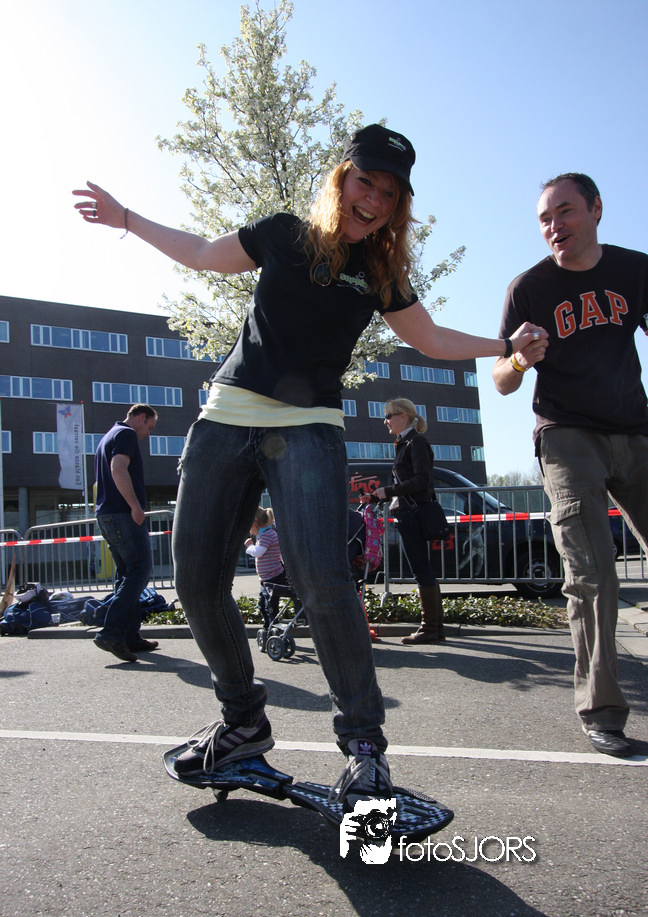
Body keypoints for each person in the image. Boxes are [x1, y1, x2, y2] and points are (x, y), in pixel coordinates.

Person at [73, 123, 541, 810]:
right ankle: (242, 725)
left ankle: (365, 752)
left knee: (323, 580)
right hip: (226, 419)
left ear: (398, 205)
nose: (372, 200)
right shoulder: (284, 234)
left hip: (309, 430)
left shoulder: (380, 272)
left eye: (388, 194)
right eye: (364, 182)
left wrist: (508, 345)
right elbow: (201, 254)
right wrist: (126, 219)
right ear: (341, 178)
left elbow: (432, 338)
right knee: (196, 580)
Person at [493, 172, 648, 759]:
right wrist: (518, 360)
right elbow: (501, 380)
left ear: (596, 209)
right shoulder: (528, 288)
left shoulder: (636, 271)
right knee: (592, 572)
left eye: (565, 212)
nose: (554, 226)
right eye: (544, 218)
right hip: (566, 436)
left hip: (635, 428)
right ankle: (602, 711)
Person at [361, 398, 444, 644]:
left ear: (403, 416)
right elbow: (409, 484)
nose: (385, 421)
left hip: (413, 515)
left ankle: (430, 628)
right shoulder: (406, 443)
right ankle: (436, 628)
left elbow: (421, 480)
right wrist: (377, 496)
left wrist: (388, 490)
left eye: (389, 416)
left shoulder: (416, 442)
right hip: (410, 512)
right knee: (423, 569)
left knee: (421, 569)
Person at [93, 404, 159, 663]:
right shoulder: (127, 434)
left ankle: (129, 636)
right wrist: (135, 506)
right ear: (140, 417)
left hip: (107, 515)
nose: (148, 434)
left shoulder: (108, 436)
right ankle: (111, 633)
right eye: (149, 427)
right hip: (123, 514)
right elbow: (118, 468)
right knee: (139, 572)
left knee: (125, 575)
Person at [244, 507, 288, 633]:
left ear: (256, 523)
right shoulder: (265, 534)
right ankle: (268, 626)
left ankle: (272, 627)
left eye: (250, 527)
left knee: (270, 606)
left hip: (273, 577)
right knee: (263, 605)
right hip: (267, 578)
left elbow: (259, 552)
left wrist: (249, 546)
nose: (251, 532)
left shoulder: (267, 535)